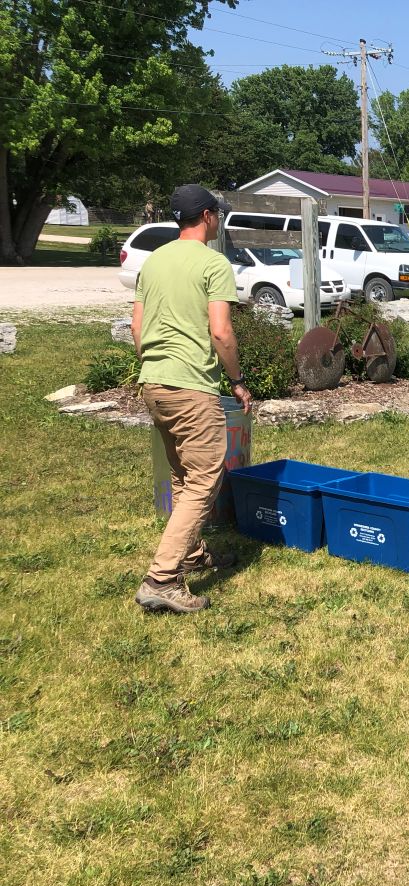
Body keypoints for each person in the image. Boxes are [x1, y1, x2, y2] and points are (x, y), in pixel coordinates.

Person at [130, 184, 252, 614]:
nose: (219, 219)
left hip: (153, 383)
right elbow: (221, 332)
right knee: (203, 480)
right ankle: (162, 579)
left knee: (183, 476)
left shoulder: (154, 261)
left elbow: (137, 328)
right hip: (191, 388)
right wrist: (237, 380)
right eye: (217, 213)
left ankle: (193, 553)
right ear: (206, 216)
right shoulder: (213, 263)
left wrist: (155, 367)